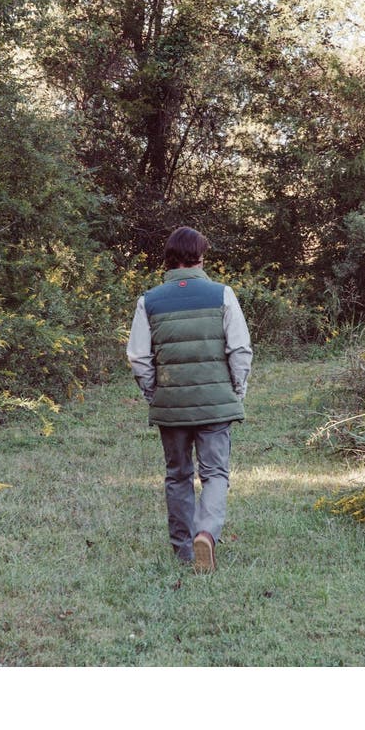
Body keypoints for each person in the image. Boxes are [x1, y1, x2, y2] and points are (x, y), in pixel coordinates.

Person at [126, 226, 253, 573]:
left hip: (171, 405)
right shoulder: (222, 294)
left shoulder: (148, 300)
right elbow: (240, 349)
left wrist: (155, 393)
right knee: (214, 474)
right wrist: (235, 391)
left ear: (169, 258)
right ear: (201, 257)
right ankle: (206, 536)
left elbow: (139, 358)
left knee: (178, 475)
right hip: (216, 402)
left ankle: (184, 550)